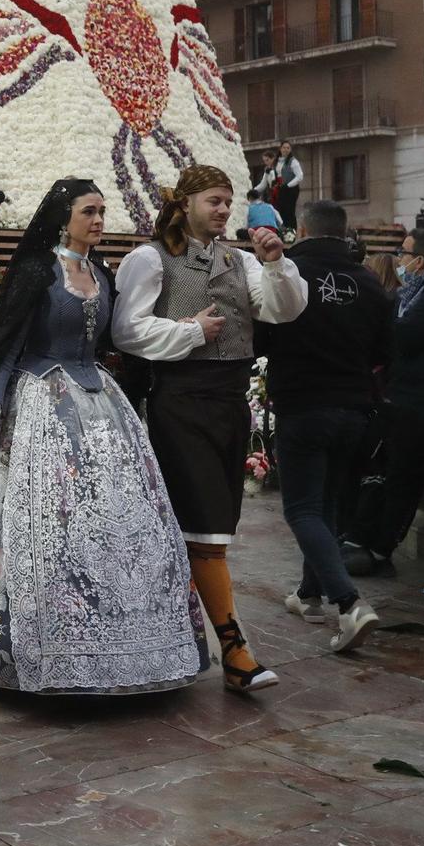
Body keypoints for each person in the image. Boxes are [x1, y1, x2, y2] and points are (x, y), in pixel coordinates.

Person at [0, 177, 204, 693]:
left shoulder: (101, 272)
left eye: (102, 211)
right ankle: (31, 644)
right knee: (44, 521)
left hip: (100, 402)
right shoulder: (37, 271)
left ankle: (122, 642)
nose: (98, 220)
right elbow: (8, 344)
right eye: (89, 211)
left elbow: (116, 339)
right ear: (64, 216)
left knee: (111, 520)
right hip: (38, 402)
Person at [112, 164, 308, 693]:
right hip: (179, 400)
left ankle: (182, 638)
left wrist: (276, 264)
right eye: (214, 201)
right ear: (187, 204)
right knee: (205, 526)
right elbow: (126, 329)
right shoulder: (152, 258)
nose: (224, 210)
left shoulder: (239, 260)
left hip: (229, 402)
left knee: (213, 523)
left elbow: (282, 311)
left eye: (228, 202)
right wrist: (189, 330)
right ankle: (234, 649)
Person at [256, 199, 389, 651]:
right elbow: (385, 351)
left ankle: (349, 604)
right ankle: (309, 595)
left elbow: (265, 334)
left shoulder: (288, 272)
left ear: (302, 229)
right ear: (344, 231)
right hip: (354, 408)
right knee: (327, 504)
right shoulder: (371, 282)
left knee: (302, 509)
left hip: (304, 403)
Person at [340, 227, 424, 579]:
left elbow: (399, 340)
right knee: (383, 471)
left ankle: (378, 549)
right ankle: (361, 538)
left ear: (421, 261)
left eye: (404, 253)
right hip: (408, 399)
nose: (400, 259)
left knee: (402, 479)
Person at [259, 141, 303, 227]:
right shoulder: (277, 161)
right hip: (280, 189)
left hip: (291, 189)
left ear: (290, 150)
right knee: (280, 211)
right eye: (284, 147)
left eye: (288, 148)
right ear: (280, 149)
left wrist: (288, 185)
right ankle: (284, 231)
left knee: (289, 211)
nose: (285, 150)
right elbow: (274, 173)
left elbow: (300, 176)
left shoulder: (293, 161)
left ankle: (291, 231)